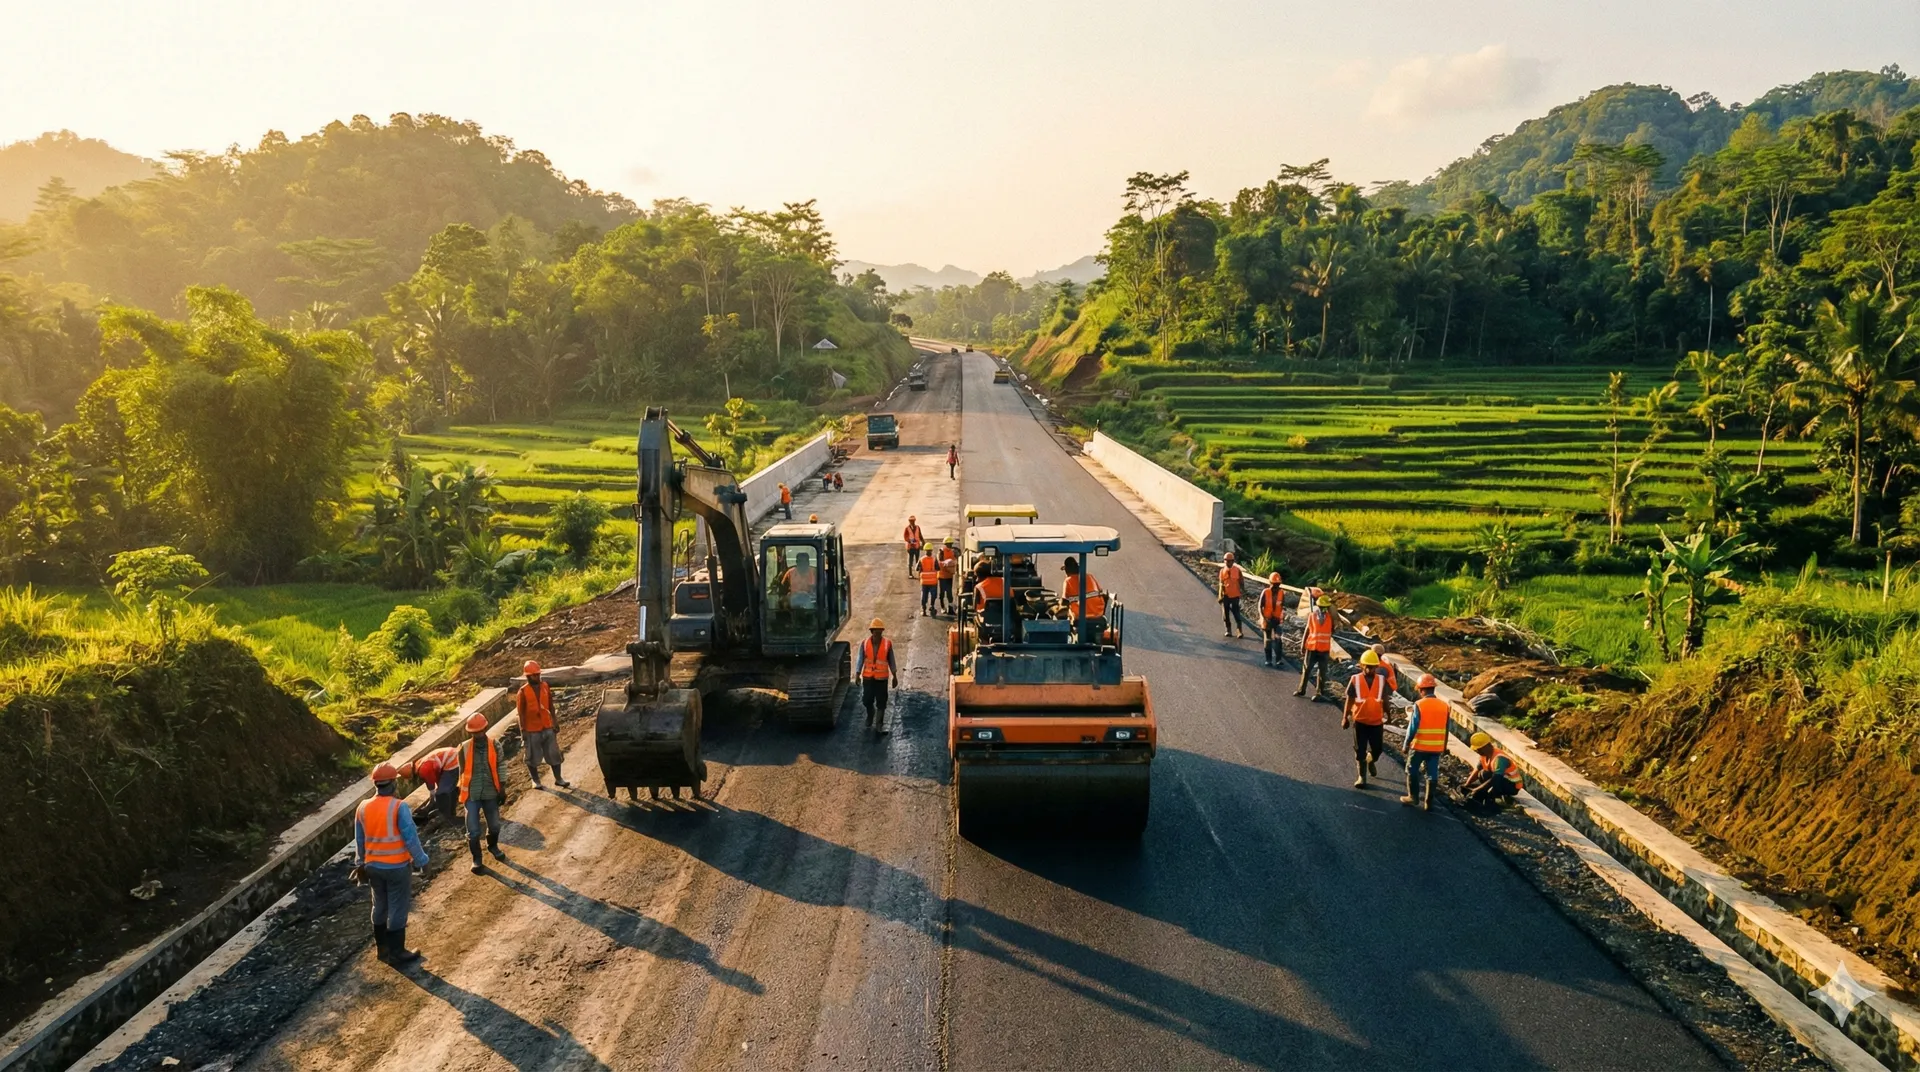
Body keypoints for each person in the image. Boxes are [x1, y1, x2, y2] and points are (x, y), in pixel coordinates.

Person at [354, 762, 428, 966]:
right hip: (396, 867)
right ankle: (398, 952)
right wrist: (422, 861)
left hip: (372, 867)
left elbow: (359, 840)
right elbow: (411, 838)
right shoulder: (399, 807)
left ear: (376, 784)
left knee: (379, 904)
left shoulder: (362, 807)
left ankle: (382, 949)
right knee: (397, 907)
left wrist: (360, 863)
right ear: (394, 783)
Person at [458, 713, 508, 874]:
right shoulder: (464, 748)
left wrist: (502, 788)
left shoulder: (495, 745)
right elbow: (461, 772)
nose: (477, 735)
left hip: (490, 792)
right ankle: (477, 859)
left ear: (485, 728)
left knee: (494, 825)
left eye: (479, 731)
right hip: (471, 795)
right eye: (474, 732)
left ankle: (492, 845)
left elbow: (501, 766)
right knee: (472, 831)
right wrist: (462, 793)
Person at [517, 661, 569, 790]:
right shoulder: (522, 692)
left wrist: (555, 721)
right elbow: (521, 713)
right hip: (531, 729)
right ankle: (535, 780)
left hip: (547, 726)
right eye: (534, 675)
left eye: (538, 674)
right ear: (528, 676)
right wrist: (523, 731)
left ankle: (559, 779)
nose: (537, 677)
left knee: (554, 754)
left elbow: (550, 705)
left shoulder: (545, 686)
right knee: (532, 757)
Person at [1401, 674, 1449, 810]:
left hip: (1419, 746)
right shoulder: (1444, 706)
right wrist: (1444, 746)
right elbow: (1446, 728)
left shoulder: (1419, 705)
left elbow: (1412, 727)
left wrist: (1406, 744)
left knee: (1412, 770)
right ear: (1433, 688)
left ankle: (1413, 797)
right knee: (1432, 774)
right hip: (1436, 748)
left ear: (1421, 689)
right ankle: (1429, 802)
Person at [1343, 649, 1390, 789]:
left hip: (1376, 722)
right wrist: (1345, 717)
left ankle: (1371, 760)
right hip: (1360, 722)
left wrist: (1389, 715)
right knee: (1360, 749)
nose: (1370, 669)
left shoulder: (1381, 680)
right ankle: (1362, 777)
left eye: (1373, 667)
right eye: (1367, 666)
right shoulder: (1355, 680)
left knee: (1378, 749)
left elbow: (1385, 699)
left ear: (1377, 666)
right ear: (1362, 665)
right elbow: (1349, 700)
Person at [856, 618, 900, 734]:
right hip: (868, 677)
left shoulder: (887, 644)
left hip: (882, 679)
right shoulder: (865, 643)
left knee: (882, 702)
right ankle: (870, 715)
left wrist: (895, 676)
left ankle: (879, 725)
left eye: (880, 631)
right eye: (876, 631)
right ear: (872, 631)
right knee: (867, 700)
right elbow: (860, 659)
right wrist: (857, 673)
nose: (878, 634)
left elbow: (891, 660)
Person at [401, 746, 460, 826]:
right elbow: (438, 777)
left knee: (442, 793)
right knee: (448, 790)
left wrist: (432, 800)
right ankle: (451, 813)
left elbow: (431, 783)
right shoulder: (421, 763)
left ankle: (445, 816)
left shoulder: (423, 769)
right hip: (453, 756)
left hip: (452, 761)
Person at [1463, 731, 1522, 809]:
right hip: (1501, 780)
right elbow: (1477, 770)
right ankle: (1488, 792)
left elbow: (1495, 779)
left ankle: (1494, 799)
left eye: (1479, 749)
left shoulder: (1499, 759)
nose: (1477, 751)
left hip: (1512, 785)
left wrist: (1477, 789)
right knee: (1482, 773)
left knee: (1492, 786)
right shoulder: (1484, 755)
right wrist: (1466, 784)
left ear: (1486, 746)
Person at [1295, 588, 1335, 699]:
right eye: (1322, 607)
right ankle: (1301, 690)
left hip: (1324, 649)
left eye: (1325, 607)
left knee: (1322, 672)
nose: (1323, 609)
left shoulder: (1330, 618)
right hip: (1312, 648)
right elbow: (1307, 630)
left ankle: (1319, 693)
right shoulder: (1312, 616)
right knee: (1306, 669)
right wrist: (1302, 645)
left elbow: (1334, 628)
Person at [1258, 572, 1286, 667]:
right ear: (1270, 583)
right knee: (1268, 640)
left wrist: (1283, 615)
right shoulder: (1265, 592)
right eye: (1274, 584)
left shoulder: (1282, 593)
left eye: (1278, 585)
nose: (1276, 587)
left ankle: (1278, 659)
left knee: (1278, 639)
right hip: (1267, 620)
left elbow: (1283, 606)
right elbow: (1260, 606)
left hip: (1277, 620)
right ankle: (1268, 660)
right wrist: (1263, 618)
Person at [1218, 552, 1247, 639]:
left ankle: (1239, 631)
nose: (1228, 562)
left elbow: (1241, 582)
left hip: (1235, 595)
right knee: (1225, 614)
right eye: (1226, 561)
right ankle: (1228, 630)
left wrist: (1243, 592)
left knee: (1236, 613)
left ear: (1233, 561)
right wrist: (1220, 595)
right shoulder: (1222, 571)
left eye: (1230, 561)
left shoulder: (1237, 571)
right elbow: (1221, 584)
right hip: (1226, 595)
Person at [937, 538, 959, 613]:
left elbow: (956, 560)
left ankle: (950, 608)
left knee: (949, 593)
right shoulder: (941, 551)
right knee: (942, 593)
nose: (950, 545)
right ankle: (943, 607)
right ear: (945, 544)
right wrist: (947, 564)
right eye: (948, 544)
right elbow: (939, 563)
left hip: (949, 575)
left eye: (951, 544)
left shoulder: (953, 552)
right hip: (942, 576)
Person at [919, 548, 941, 616]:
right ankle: (932, 606)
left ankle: (924, 610)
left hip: (924, 582)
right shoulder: (934, 559)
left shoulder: (921, 559)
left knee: (924, 595)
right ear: (931, 551)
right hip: (933, 581)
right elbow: (938, 568)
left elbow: (917, 568)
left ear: (925, 550)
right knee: (933, 595)